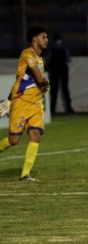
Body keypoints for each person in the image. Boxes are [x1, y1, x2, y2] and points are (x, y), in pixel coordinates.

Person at [0, 26, 50, 181]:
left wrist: (8, 98)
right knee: (14, 140)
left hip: (35, 104)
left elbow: (20, 80)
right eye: (43, 36)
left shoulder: (41, 60)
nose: (46, 39)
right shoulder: (27, 54)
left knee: (35, 135)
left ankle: (25, 174)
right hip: (22, 102)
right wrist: (46, 83)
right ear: (34, 39)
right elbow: (40, 79)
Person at [46, 33, 74, 114]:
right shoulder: (63, 49)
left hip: (56, 71)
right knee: (62, 90)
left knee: (56, 91)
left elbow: (47, 61)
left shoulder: (52, 50)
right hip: (60, 71)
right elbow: (68, 60)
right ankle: (67, 108)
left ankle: (53, 109)